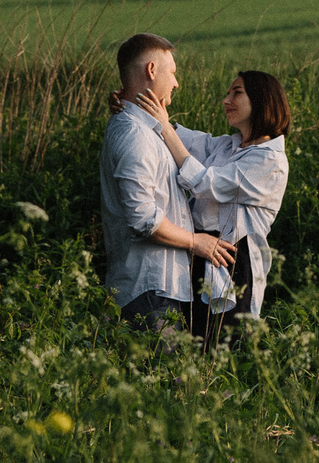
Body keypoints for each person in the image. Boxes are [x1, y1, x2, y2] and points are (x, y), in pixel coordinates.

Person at [117, 68, 291, 332]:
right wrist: (132, 106)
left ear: (262, 100)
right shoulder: (228, 146)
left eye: (237, 92)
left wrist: (162, 124)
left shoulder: (270, 161)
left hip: (233, 259)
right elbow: (181, 137)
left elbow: (203, 183)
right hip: (200, 249)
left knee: (223, 345)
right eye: (228, 92)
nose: (226, 100)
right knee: (195, 340)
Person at [97, 32, 236, 330]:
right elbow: (143, 219)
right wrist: (196, 242)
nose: (176, 82)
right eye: (172, 72)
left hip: (158, 289)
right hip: (148, 290)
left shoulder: (146, 130)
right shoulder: (135, 134)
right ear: (151, 70)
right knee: (164, 375)